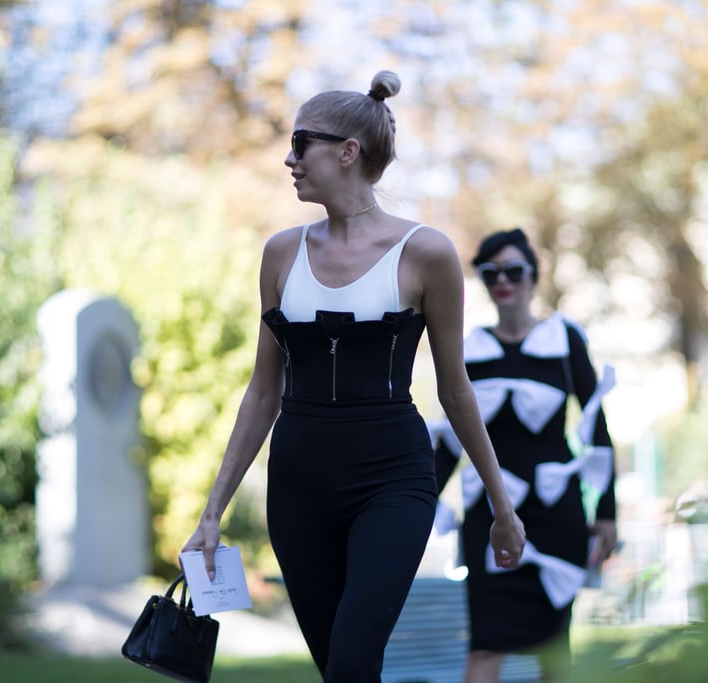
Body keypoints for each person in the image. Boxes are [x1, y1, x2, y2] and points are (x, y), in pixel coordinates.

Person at [180, 71, 526, 683]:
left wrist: (502, 507)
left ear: (348, 152)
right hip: (298, 484)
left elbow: (455, 388)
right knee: (339, 670)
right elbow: (263, 390)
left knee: (351, 660)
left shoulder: (428, 252)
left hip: (392, 477)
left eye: (301, 142)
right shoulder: (281, 253)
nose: (289, 159)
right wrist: (213, 512)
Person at [431, 228, 618, 682]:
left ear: (533, 277)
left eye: (514, 270)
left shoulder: (564, 340)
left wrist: (608, 513)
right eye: (490, 272)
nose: (503, 280)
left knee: (554, 651)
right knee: (485, 645)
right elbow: (453, 439)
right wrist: (416, 504)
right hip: (490, 516)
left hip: (558, 516)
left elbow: (596, 427)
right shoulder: (467, 347)